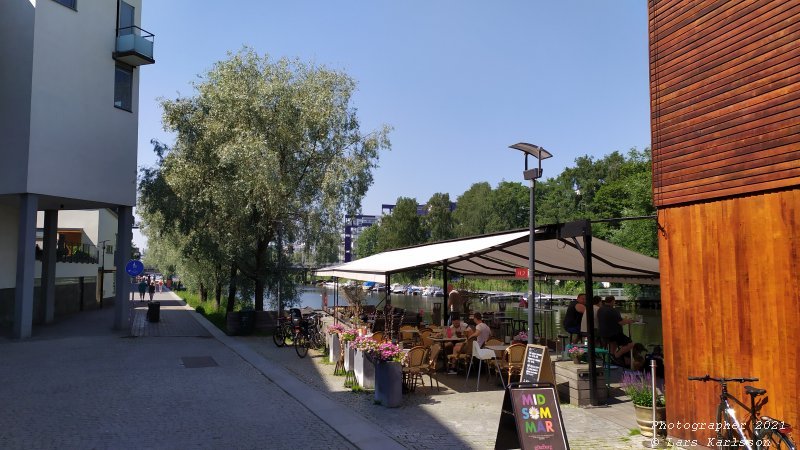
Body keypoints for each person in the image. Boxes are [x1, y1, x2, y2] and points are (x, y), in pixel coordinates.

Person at [597, 295, 636, 366]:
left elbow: (611, 320)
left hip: (602, 333)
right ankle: (616, 356)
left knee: (613, 343)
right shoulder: (613, 310)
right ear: (612, 301)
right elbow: (621, 322)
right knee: (631, 344)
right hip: (613, 333)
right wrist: (629, 321)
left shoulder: (600, 309)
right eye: (614, 301)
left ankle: (611, 357)